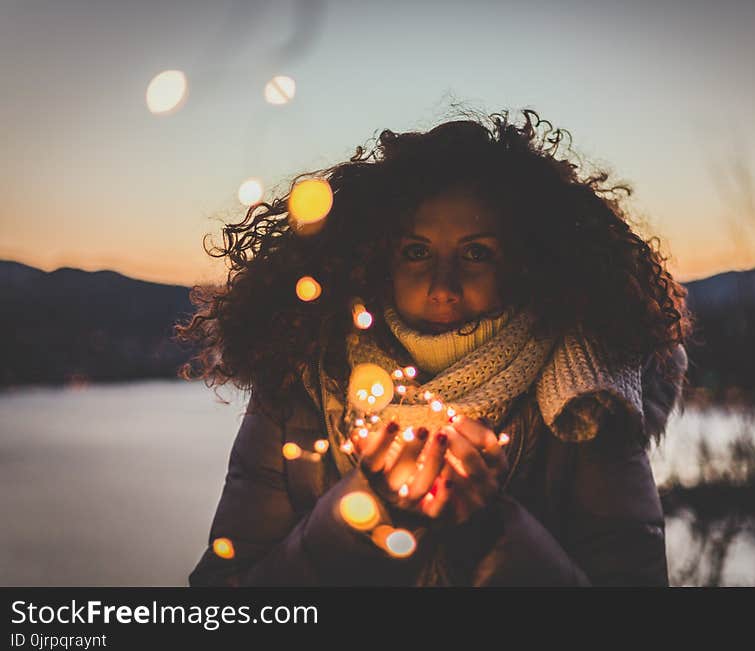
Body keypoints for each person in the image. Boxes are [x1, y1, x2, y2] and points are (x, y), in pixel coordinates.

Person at [177, 110, 692, 586]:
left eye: (475, 252)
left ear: (522, 263)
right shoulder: (303, 383)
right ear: (378, 259)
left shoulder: (587, 399)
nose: (443, 284)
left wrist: (489, 529)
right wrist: (365, 512)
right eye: (417, 251)